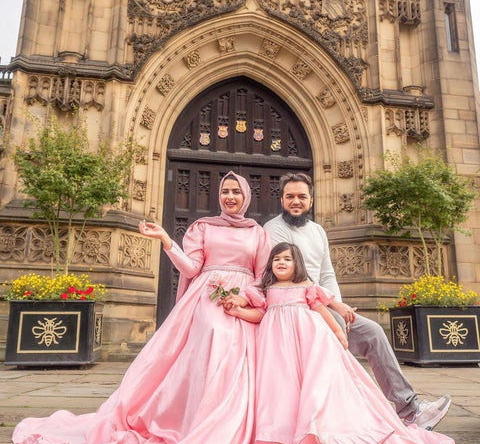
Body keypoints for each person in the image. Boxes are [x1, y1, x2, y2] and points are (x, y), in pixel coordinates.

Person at [12, 171, 270, 444]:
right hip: (207, 296)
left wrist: (245, 298)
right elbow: (192, 267)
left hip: (243, 298)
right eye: (225, 191)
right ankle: (200, 416)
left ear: (246, 196)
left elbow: (263, 274)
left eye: (236, 192)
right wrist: (165, 240)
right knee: (215, 332)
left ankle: (231, 418)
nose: (230, 197)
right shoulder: (202, 227)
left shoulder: (258, 233)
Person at [262, 172, 452, 431]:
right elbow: (292, 277)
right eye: (290, 197)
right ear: (282, 199)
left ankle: (410, 410)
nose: (296, 201)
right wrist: (334, 307)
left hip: (324, 305)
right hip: (297, 311)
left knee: (373, 332)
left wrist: (338, 305)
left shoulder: (317, 231)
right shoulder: (273, 230)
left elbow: (327, 273)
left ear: (312, 200)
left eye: (302, 197)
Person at [246, 242, 455, 444]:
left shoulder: (310, 262)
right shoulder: (269, 260)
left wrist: (338, 323)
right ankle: (285, 425)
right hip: (278, 344)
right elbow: (260, 309)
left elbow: (324, 288)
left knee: (325, 371)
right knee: (283, 384)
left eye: (287, 259)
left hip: (309, 330)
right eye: (277, 259)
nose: (281, 262)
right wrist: (238, 307)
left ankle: (406, 410)